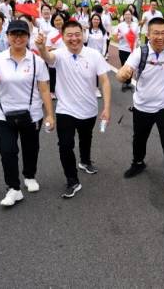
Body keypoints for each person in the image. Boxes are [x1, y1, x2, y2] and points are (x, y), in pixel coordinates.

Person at [0, 20, 55, 207]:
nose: (18, 38)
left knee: (31, 148)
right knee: (7, 151)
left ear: (28, 37)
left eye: (22, 34)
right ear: (7, 37)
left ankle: (29, 175)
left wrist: (49, 115)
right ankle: (13, 188)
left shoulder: (37, 61)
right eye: (14, 34)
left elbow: (44, 89)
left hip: (32, 114)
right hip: (3, 114)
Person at [35, 21, 111, 199]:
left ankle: (85, 161)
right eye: (69, 35)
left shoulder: (94, 55)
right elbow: (48, 57)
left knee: (86, 137)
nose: (74, 38)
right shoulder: (59, 54)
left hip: (89, 108)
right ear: (63, 37)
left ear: (83, 35)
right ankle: (72, 180)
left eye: (77, 34)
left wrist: (106, 107)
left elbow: (105, 81)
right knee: (65, 145)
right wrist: (41, 48)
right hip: (65, 109)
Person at [116, 17, 164, 197]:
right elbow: (122, 73)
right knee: (139, 139)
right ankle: (138, 162)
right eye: (155, 33)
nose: (160, 37)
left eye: (163, 33)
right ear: (148, 35)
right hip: (142, 107)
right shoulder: (139, 53)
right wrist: (122, 74)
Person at [114, 8, 140, 91]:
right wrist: (120, 36)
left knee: (131, 67)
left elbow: (137, 37)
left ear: (131, 15)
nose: (128, 16)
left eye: (129, 14)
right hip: (123, 49)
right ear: (123, 16)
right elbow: (116, 38)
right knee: (124, 65)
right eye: (126, 14)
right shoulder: (120, 25)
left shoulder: (135, 25)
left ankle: (129, 83)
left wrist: (137, 46)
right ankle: (124, 83)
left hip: (133, 49)